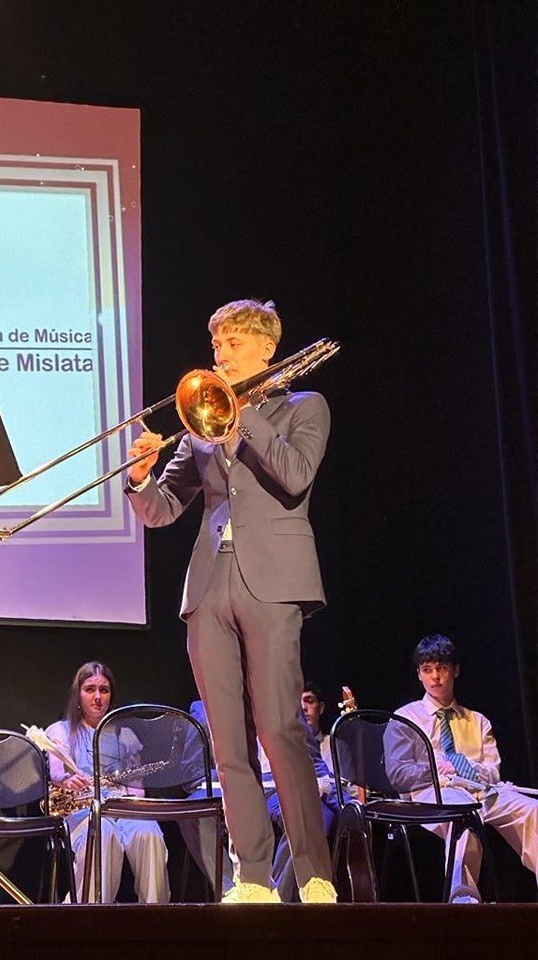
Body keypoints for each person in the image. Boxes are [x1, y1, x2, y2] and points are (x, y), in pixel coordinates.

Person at [126, 298, 336, 903]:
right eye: (217, 345)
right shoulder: (201, 426)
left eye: (234, 344)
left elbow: (295, 475)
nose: (220, 355)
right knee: (227, 742)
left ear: (267, 349)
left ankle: (313, 873)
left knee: (280, 727)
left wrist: (240, 419)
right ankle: (251, 878)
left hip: (273, 581)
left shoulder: (304, 406)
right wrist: (140, 476)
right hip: (209, 587)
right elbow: (164, 510)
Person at [392, 634, 538, 903]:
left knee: (531, 809)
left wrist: (463, 766)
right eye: (427, 670)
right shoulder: (406, 717)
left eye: (442, 668)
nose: (435, 677)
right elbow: (398, 774)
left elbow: (492, 772)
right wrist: (435, 769)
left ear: (455, 671)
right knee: (464, 814)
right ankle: (463, 898)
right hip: (432, 793)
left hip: (481, 791)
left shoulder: (478, 721)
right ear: (419, 675)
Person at [180, 699, 338, 902]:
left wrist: (343, 800)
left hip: (278, 789)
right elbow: (191, 771)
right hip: (228, 788)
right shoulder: (204, 708)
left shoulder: (286, 704)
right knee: (193, 813)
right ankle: (230, 892)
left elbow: (314, 761)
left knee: (309, 813)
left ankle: (276, 900)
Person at [44, 661, 170, 903]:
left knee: (149, 833)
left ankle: (155, 914)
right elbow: (57, 774)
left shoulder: (125, 736)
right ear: (78, 694)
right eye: (90, 689)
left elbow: (137, 789)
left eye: (104, 690)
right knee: (102, 833)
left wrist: (125, 799)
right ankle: (91, 913)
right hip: (83, 809)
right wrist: (69, 781)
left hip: (121, 807)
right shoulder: (61, 730)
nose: (97, 697)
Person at [301, 682, 333, 771]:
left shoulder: (334, 745)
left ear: (321, 708)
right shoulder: (279, 747)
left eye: (309, 701)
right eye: (296, 703)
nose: (303, 707)